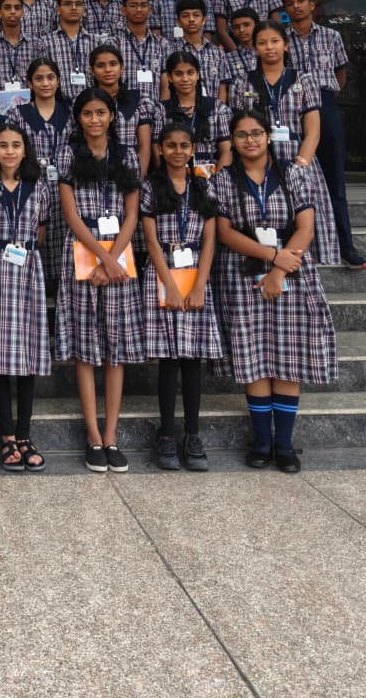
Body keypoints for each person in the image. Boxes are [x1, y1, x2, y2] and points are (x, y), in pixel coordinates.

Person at [210, 109, 337, 473]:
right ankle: (262, 442)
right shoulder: (223, 180)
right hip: (242, 273)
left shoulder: (292, 173)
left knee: (287, 357)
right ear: (233, 141)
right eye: (241, 135)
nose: (250, 140)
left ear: (268, 136)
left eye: (256, 133)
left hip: (291, 272)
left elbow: (305, 227)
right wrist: (271, 256)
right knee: (254, 357)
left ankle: (284, 444)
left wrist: (279, 270)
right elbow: (225, 232)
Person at [55, 88, 143, 473]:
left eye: (101, 112)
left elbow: (132, 214)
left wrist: (113, 259)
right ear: (79, 118)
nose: (94, 119)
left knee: (115, 348)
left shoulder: (127, 155)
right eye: (88, 113)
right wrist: (104, 259)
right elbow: (71, 215)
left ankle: (111, 435)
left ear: (111, 116)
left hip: (119, 256)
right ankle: (92, 434)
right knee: (86, 347)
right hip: (82, 252)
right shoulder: (68, 154)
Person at [0, 123, 51, 472]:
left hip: (27, 269)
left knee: (27, 352)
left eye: (16, 145)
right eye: (2, 145)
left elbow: (41, 231)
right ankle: (6, 434)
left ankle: (24, 433)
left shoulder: (39, 188)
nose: (9, 151)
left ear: (25, 149)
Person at [140, 123, 221, 472]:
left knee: (192, 360)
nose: (177, 151)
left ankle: (193, 434)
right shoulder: (150, 186)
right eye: (170, 145)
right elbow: (150, 240)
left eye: (183, 145)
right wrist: (170, 285)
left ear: (192, 150)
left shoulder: (204, 185)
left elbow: (210, 240)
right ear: (160, 149)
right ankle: (167, 433)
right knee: (169, 359)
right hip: (163, 274)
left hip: (196, 273)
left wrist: (200, 285)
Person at [228, 20, 340, 265]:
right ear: (254, 47)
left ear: (286, 45)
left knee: (303, 221)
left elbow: (313, 131)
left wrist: (300, 165)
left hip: (297, 156)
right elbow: (237, 129)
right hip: (256, 160)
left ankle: (297, 269)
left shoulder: (304, 80)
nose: (269, 47)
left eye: (275, 41)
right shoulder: (242, 82)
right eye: (262, 42)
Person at [283, 0, 366, 268]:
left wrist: (327, 99)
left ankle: (346, 246)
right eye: (290, 3)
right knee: (296, 178)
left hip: (325, 104)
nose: (295, 6)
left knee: (334, 181)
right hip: (293, 108)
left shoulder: (331, 36)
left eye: (300, 0)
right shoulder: (282, 39)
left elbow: (340, 72)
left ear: (312, 4)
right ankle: (298, 247)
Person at [6, 58, 71, 285]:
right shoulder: (17, 113)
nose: (45, 83)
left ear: (58, 81)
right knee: (34, 237)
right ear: (30, 83)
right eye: (39, 78)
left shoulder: (70, 111)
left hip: (65, 186)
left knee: (64, 239)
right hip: (30, 185)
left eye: (50, 77)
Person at [152, 51, 232, 177]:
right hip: (174, 177)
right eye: (179, 74)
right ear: (169, 77)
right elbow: (157, 151)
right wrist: (172, 180)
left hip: (211, 177)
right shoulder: (161, 110)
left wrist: (218, 180)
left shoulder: (217, 108)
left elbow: (226, 150)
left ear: (198, 74)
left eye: (190, 73)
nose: (185, 79)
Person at [88, 44, 155, 177]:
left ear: (122, 68)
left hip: (130, 170)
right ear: (92, 71)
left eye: (113, 64)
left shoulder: (139, 99)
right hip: (95, 170)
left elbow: (145, 146)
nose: (108, 70)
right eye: (101, 66)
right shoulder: (87, 101)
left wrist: (138, 180)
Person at [117, 0, 170, 97]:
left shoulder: (162, 44)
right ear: (123, 10)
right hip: (124, 105)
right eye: (133, 5)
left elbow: (166, 85)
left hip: (155, 106)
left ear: (150, 10)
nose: (139, 9)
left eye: (143, 5)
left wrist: (164, 106)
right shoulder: (114, 43)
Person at [39, 0, 92, 99]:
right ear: (58, 10)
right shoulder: (45, 42)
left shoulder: (95, 41)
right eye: (68, 4)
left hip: (90, 103)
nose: (74, 8)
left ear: (84, 10)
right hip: (59, 103)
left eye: (78, 4)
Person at [176, 0, 228, 102]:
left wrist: (218, 110)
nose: (191, 19)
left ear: (204, 20)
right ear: (178, 22)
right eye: (185, 16)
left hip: (213, 110)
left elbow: (222, 88)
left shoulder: (218, 53)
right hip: (181, 109)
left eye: (196, 15)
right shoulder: (171, 50)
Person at [224, 7, 259, 102]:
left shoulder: (267, 53)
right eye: (236, 27)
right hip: (240, 107)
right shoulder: (227, 59)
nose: (241, 30)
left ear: (256, 25)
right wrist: (254, 95)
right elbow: (227, 90)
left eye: (246, 25)